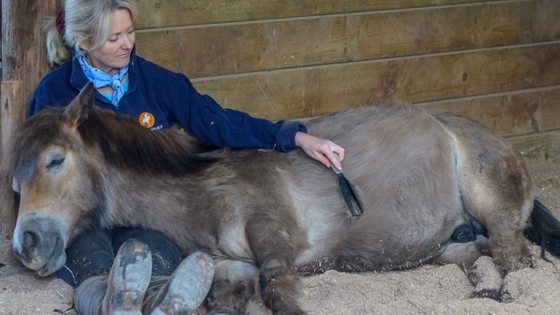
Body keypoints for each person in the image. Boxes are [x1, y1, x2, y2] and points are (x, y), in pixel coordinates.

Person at [30, 0, 346, 314]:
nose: (127, 43)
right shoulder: (55, 93)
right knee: (92, 259)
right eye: (114, 38)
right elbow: (34, 167)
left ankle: (159, 306)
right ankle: (107, 304)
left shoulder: (159, 84)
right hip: (88, 216)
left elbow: (219, 123)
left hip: (149, 217)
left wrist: (294, 136)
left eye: (130, 31)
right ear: (84, 42)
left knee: (156, 254)